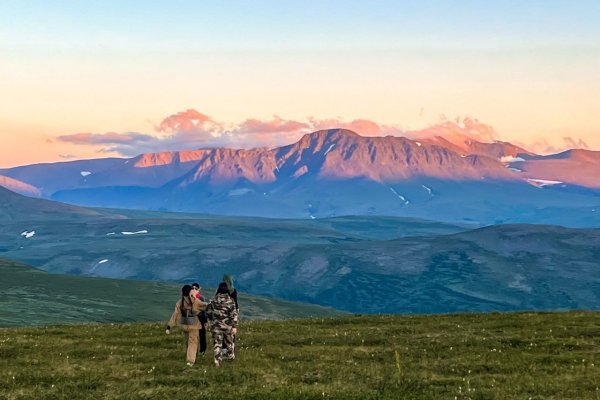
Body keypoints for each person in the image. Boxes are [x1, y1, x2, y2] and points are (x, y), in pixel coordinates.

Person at [165, 284, 207, 366]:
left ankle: (191, 356)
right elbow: (204, 306)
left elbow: (175, 314)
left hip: (184, 325)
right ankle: (190, 361)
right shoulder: (195, 301)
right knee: (193, 343)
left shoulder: (180, 302)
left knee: (188, 342)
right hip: (194, 325)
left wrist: (169, 326)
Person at [206, 282, 239, 368]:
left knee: (217, 344)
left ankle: (217, 361)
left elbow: (208, 312)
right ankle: (230, 358)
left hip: (216, 326)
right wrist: (234, 326)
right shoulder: (231, 301)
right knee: (229, 343)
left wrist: (212, 319)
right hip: (227, 326)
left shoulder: (213, 300)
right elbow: (234, 315)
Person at [221, 274, 239, 358]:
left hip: (222, 314)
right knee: (232, 332)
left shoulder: (220, 289)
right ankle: (231, 350)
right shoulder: (233, 290)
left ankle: (224, 349)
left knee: (223, 331)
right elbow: (235, 303)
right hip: (231, 312)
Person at [191, 282, 208, 355]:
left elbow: (204, 310)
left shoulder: (201, 298)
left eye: (196, 288)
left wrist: (205, 321)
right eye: (193, 288)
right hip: (192, 319)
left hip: (201, 318)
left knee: (202, 335)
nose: (194, 289)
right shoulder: (189, 298)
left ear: (198, 289)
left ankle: (202, 350)